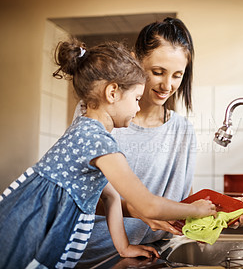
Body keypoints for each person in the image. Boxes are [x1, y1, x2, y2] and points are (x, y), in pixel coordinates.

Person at [0, 39, 217, 269]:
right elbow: (148, 206)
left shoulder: (86, 128)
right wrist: (196, 209)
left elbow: (110, 197)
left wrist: (124, 247)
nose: (137, 108)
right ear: (113, 92)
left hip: (37, 222)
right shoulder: (99, 142)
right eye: (135, 99)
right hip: (32, 229)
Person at [76, 17, 243, 267]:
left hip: (149, 254)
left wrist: (220, 213)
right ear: (136, 60)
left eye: (177, 75)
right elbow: (75, 195)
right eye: (158, 72)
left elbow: (182, 205)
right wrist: (134, 209)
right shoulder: (98, 113)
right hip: (90, 253)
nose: (167, 85)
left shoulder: (183, 131)